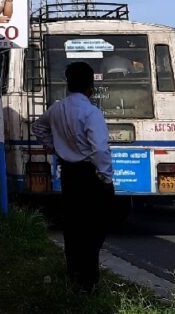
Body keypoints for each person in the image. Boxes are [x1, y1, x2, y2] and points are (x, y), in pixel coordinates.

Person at [32, 61, 115, 293]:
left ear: (68, 84)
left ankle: (74, 276)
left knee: (73, 226)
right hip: (91, 175)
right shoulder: (91, 112)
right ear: (91, 86)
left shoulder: (57, 109)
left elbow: (38, 128)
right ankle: (90, 281)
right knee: (94, 229)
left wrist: (56, 148)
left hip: (69, 173)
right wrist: (106, 177)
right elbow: (99, 149)